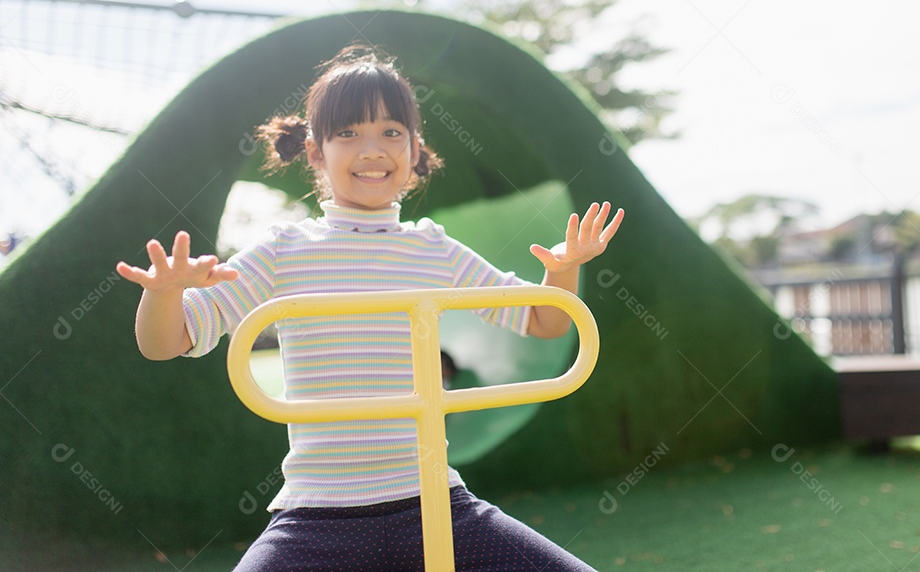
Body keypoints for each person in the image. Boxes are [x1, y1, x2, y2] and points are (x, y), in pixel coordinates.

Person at [116, 45, 623, 572]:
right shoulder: (284, 251)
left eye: (390, 132)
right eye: (348, 133)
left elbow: (544, 321)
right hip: (319, 516)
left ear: (414, 148)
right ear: (316, 153)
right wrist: (165, 292)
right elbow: (165, 341)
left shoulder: (432, 248)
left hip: (433, 502)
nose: (373, 148)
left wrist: (563, 269)